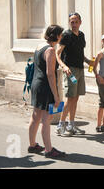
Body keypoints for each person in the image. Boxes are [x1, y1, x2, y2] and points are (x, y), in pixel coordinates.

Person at [28, 25, 66, 159]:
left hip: (36, 84)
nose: (61, 37)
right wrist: (56, 96)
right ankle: (49, 150)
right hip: (45, 87)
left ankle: (32, 145)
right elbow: (50, 74)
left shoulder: (40, 46)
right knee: (46, 119)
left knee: (35, 116)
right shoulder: (50, 50)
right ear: (56, 36)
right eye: (60, 34)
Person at [55, 13, 93, 137]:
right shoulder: (66, 35)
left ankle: (71, 125)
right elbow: (57, 53)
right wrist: (63, 66)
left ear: (80, 22)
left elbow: (80, 53)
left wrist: (88, 62)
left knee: (75, 97)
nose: (74, 23)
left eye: (76, 21)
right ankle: (60, 125)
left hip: (80, 70)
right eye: (71, 21)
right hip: (70, 71)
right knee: (69, 98)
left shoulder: (81, 35)